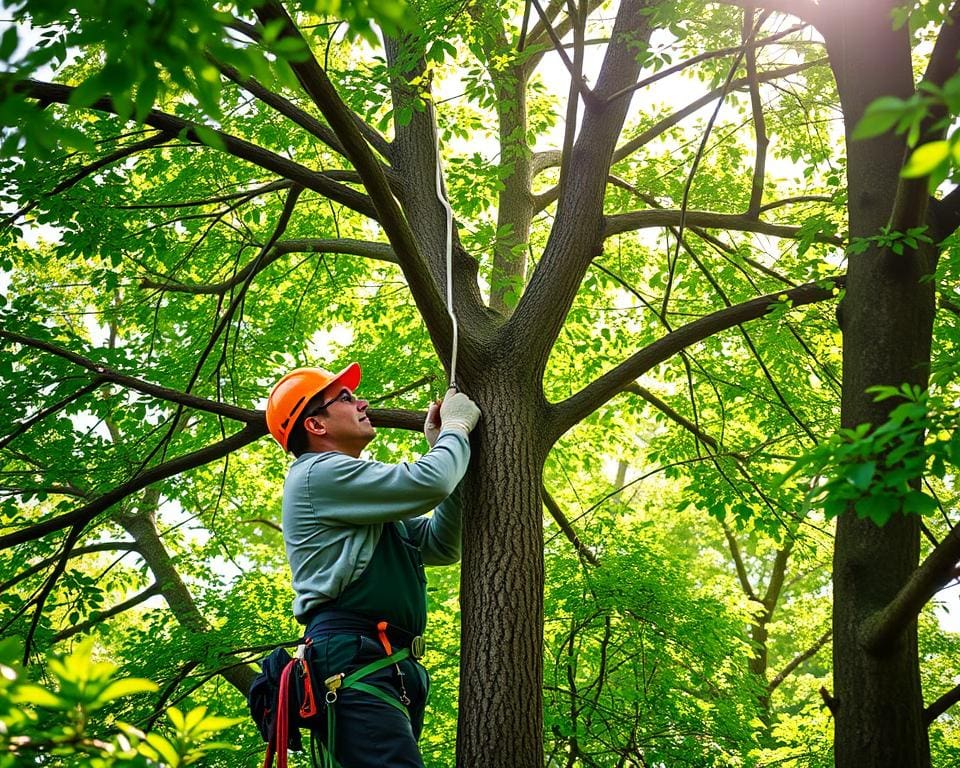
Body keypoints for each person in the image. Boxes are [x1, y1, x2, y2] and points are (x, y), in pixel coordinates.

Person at [265, 362, 480, 768]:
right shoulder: (316, 474)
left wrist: (446, 449)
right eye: (344, 398)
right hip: (354, 662)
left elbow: (439, 545)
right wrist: (455, 431)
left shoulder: (361, 501)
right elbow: (429, 484)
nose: (362, 402)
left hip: (381, 664)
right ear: (316, 425)